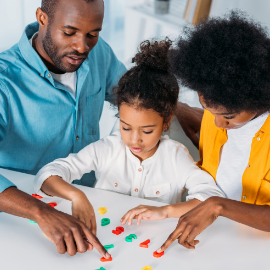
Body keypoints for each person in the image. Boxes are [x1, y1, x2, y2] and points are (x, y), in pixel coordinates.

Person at [34, 39, 224, 228]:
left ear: (166, 122)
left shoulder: (175, 156)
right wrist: (76, 195)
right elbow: (47, 174)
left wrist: (166, 211)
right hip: (104, 236)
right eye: (125, 127)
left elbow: (212, 197)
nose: (134, 139)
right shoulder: (108, 149)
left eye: (147, 130)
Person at [128, 11, 270, 253]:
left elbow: (217, 203)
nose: (216, 124)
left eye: (228, 117)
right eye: (208, 110)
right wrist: (166, 211)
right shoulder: (217, 112)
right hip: (213, 233)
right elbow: (209, 187)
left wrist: (218, 206)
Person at [0, 0, 125, 257]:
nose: (82, 47)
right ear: (42, 18)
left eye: (93, 34)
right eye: (69, 32)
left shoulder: (99, 53)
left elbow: (133, 96)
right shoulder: (4, 80)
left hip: (92, 202)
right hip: (24, 215)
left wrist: (183, 110)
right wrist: (41, 212)